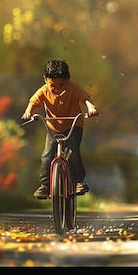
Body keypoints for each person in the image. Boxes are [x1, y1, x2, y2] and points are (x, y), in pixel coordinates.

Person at [21, 58, 99, 199]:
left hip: (73, 126)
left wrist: (91, 107)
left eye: (61, 84)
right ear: (45, 80)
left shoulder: (74, 88)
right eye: (52, 85)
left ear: (68, 80)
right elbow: (33, 102)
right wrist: (28, 112)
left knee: (72, 151)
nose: (57, 89)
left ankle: (78, 181)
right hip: (52, 128)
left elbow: (85, 98)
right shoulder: (44, 91)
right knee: (46, 155)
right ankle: (45, 185)